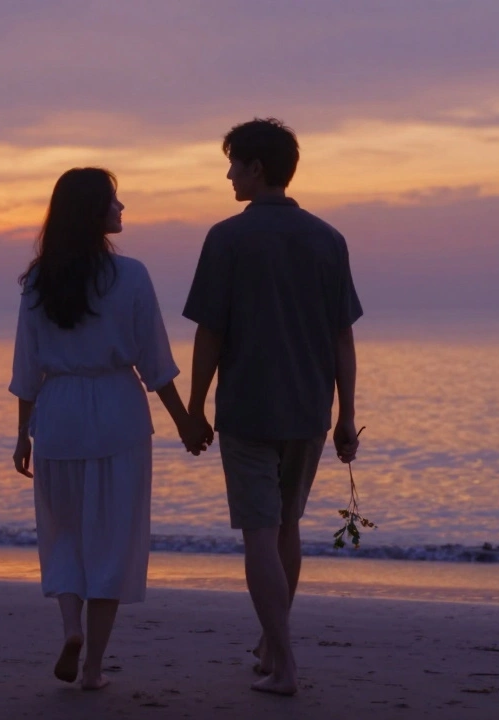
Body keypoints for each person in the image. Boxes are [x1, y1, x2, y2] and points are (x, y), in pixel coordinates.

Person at [181, 118, 363, 696]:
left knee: (260, 534)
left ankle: (283, 662)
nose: (229, 174)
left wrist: (194, 407)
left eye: (234, 163)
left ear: (258, 168)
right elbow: (342, 340)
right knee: (287, 527)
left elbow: (209, 333)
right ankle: (270, 642)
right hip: (309, 409)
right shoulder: (328, 239)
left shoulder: (227, 237)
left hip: (250, 409)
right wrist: (346, 416)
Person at [10, 167, 206, 690]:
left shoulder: (38, 281)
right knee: (112, 541)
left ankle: (71, 628)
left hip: (58, 414)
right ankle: (93, 666)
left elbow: (26, 368)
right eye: (114, 202)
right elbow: (156, 365)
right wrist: (186, 423)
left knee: (65, 534)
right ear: (93, 213)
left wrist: (21, 434)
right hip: (118, 411)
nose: (123, 209)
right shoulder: (132, 275)